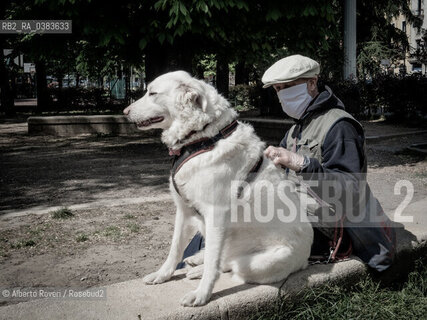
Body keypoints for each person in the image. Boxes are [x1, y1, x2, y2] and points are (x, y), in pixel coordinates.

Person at [262, 54, 395, 271]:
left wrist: (301, 163)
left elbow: (349, 189)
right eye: (277, 89)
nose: (282, 94)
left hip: (328, 227)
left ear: (312, 82)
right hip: (299, 215)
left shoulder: (339, 125)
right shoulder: (294, 130)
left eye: (288, 86)